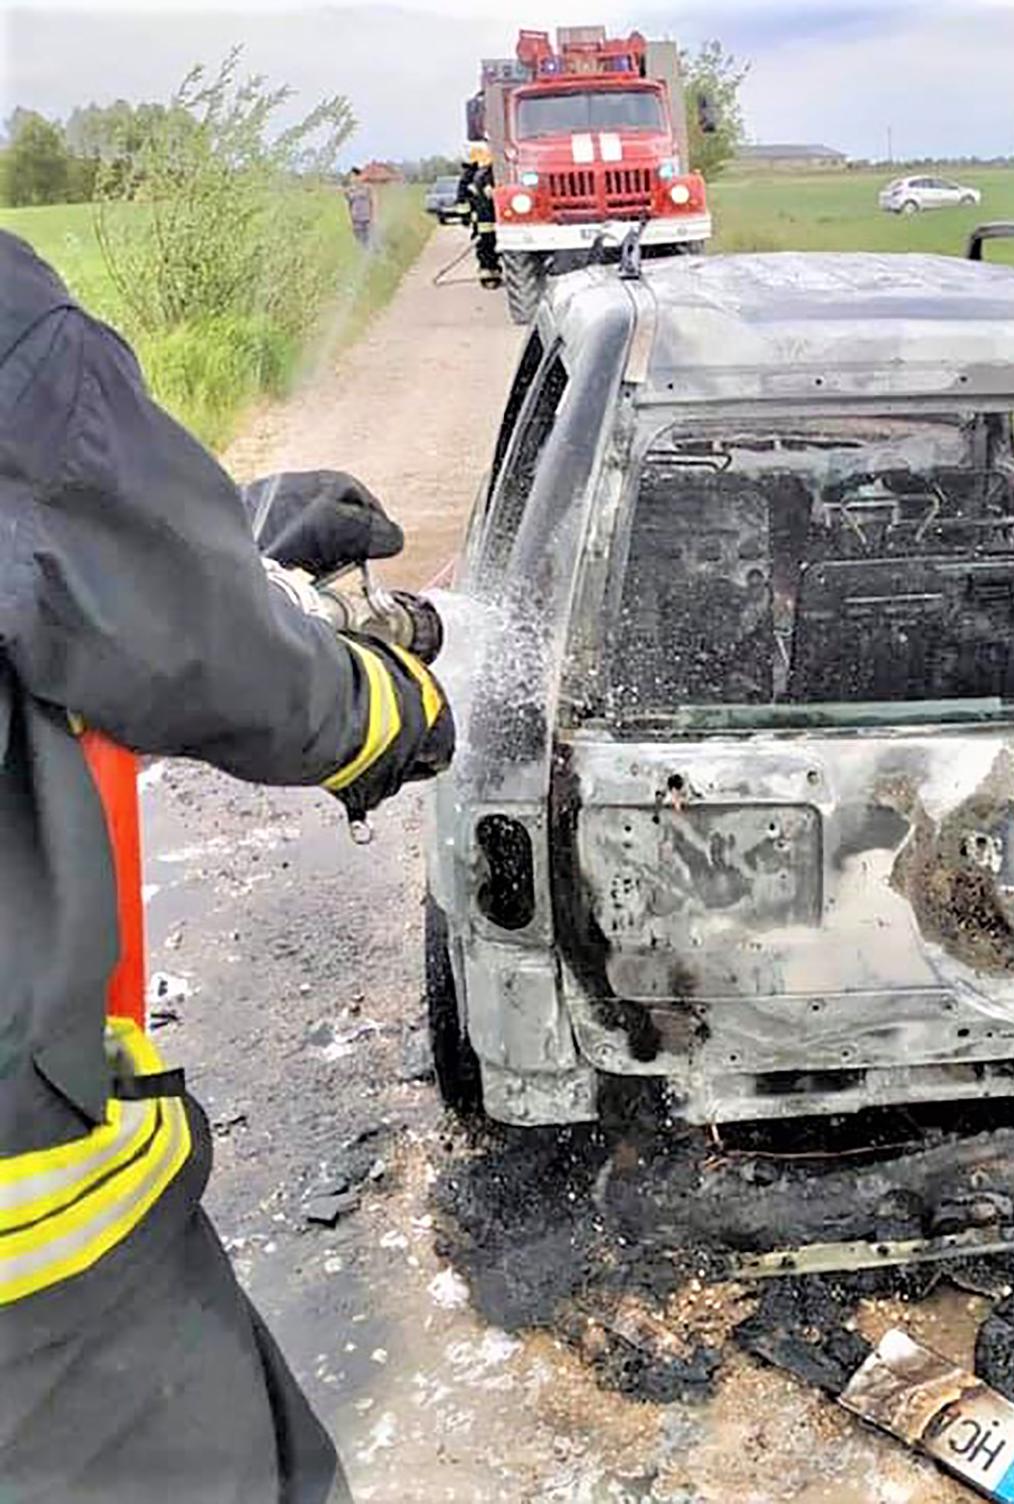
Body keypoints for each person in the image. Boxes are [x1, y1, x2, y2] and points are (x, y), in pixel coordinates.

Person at [0, 230, 453, 1501]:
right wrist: (389, 708)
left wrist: (212, 541)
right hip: (40, 1317)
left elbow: (63, 572)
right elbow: (206, 658)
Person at [455, 142, 499, 288]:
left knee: (486, 246)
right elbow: (462, 200)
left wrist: (465, 217)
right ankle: (489, 273)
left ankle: (490, 273)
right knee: (488, 246)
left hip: (484, 220)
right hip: (486, 219)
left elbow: (462, 199)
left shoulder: (473, 177)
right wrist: (465, 215)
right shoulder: (484, 174)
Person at [344, 171, 375, 248]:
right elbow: (347, 206)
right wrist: (349, 220)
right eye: (352, 177)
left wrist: (373, 217)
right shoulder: (349, 191)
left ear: (360, 177)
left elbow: (373, 203)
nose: (354, 179)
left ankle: (370, 256)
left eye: (356, 176)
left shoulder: (367, 188)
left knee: (369, 240)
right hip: (356, 220)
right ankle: (363, 255)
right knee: (359, 241)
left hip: (367, 219)